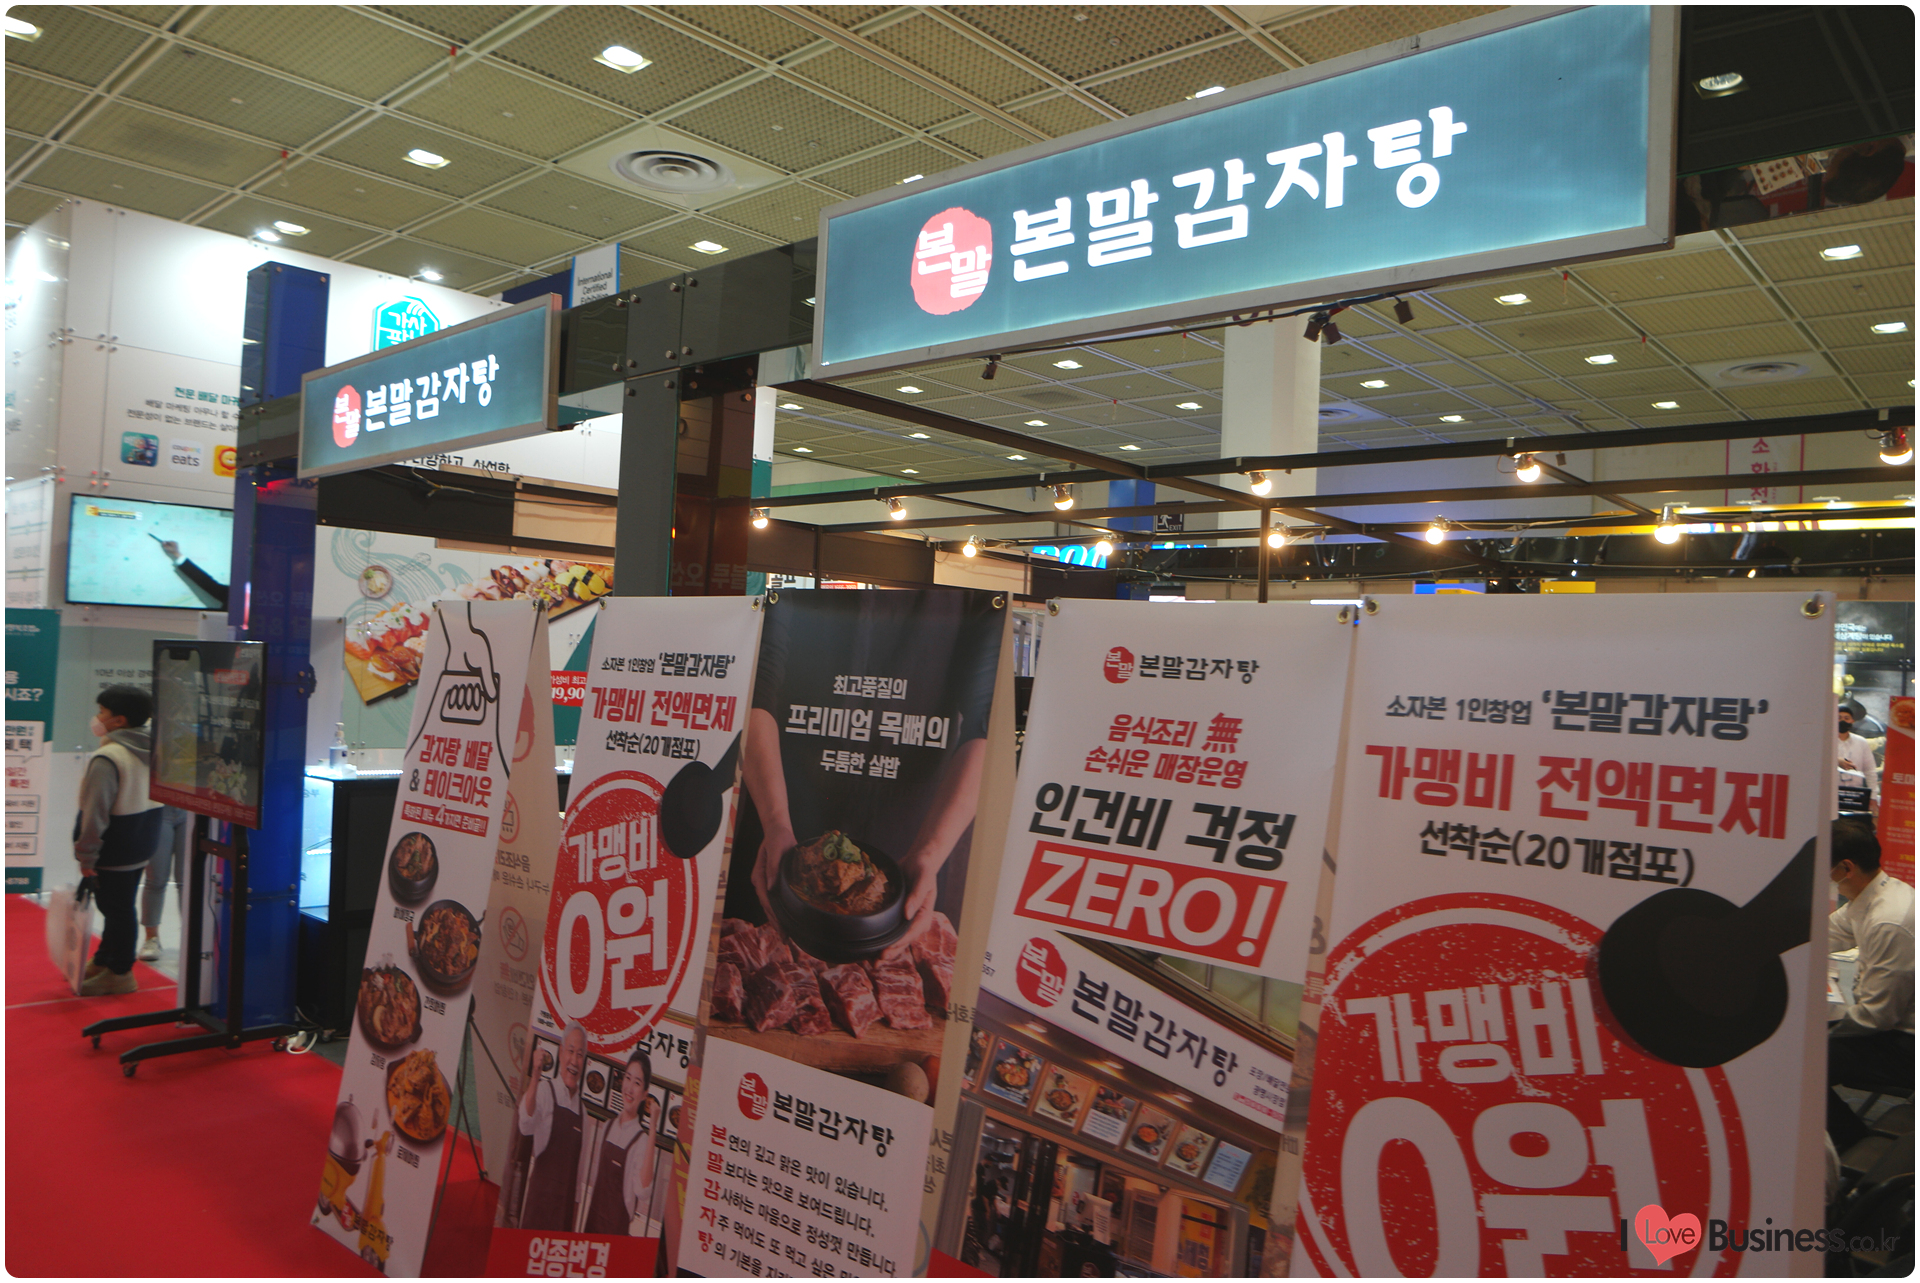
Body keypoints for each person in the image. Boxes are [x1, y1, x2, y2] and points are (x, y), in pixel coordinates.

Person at [1826, 817, 1914, 1153]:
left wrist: (1817, 1030)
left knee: (1801, 1063)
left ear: (1846, 868)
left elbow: (1876, 1017)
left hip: (1905, 1044)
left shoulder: (1888, 920)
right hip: (1889, 1027)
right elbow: (1823, 934)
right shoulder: (1870, 897)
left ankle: (1855, 1146)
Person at [74, 685, 165, 996]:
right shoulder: (153, 749)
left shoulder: (109, 756)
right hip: (141, 840)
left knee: (117, 909)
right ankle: (104, 959)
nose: (97, 717)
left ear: (119, 720)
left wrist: (87, 854)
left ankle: (120, 972)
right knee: (118, 905)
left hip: (114, 845)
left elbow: (95, 814)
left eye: (102, 712)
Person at [517, 1023, 589, 1230]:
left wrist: (572, 1229)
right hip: (538, 1207)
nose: (574, 1060)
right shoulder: (544, 1091)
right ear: (561, 1052)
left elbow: (578, 1182)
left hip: (564, 1215)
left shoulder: (583, 1113)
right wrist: (535, 1076)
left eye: (580, 1055)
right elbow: (525, 1124)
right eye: (570, 1051)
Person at [581, 1047, 657, 1235]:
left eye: (637, 1083)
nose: (629, 1088)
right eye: (628, 1078)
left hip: (616, 1233)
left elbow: (643, 1191)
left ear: (645, 1093)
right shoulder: (608, 1126)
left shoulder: (641, 1140)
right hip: (592, 1222)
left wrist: (653, 1128)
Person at [137, 804, 189, 962]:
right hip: (159, 808)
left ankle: (190, 939)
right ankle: (151, 939)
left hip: (190, 808)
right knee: (156, 879)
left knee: (186, 882)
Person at [1838, 706, 1880, 812]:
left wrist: (1873, 796)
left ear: (1852, 721)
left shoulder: (1861, 742)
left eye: (1846, 718)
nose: (1842, 721)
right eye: (1839, 718)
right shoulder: (1824, 740)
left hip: (1856, 796)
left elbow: (1870, 771)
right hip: (1831, 794)